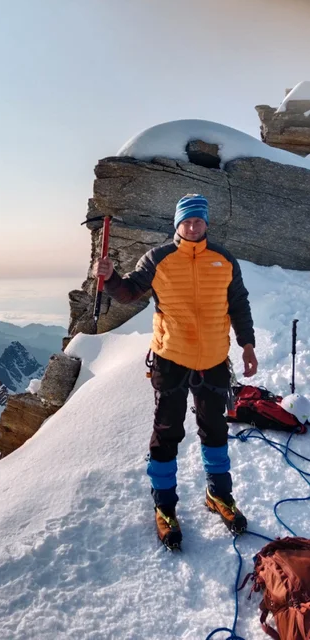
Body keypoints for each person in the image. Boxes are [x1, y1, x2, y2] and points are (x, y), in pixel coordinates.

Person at [93, 193, 257, 549]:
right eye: (187, 221)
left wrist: (247, 344)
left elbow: (239, 302)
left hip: (214, 359)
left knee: (214, 429)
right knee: (167, 432)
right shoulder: (159, 258)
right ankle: (164, 507)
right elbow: (129, 292)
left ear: (206, 224)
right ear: (177, 225)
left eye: (199, 221)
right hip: (171, 359)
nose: (193, 226)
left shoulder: (224, 259)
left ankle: (219, 496)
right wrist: (110, 277)